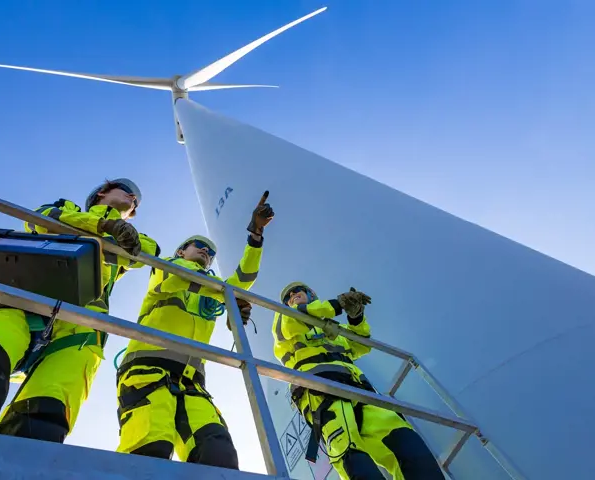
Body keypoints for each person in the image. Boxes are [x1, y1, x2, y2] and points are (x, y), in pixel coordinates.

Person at [0, 178, 159, 443]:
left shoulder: (135, 238)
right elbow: (41, 218)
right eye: (130, 192)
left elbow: (149, 252)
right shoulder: (67, 208)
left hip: (82, 323)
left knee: (52, 399)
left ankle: (20, 461)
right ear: (103, 192)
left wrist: (119, 230)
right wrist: (101, 225)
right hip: (24, 299)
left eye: (136, 203)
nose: (134, 200)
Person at [115, 191, 274, 469]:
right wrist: (228, 296)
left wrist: (256, 235)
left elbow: (243, 279)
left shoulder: (211, 294)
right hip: (147, 371)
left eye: (211, 253)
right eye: (199, 246)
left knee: (218, 454)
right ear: (180, 252)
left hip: (192, 382)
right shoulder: (164, 270)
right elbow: (184, 277)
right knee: (150, 450)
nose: (206, 252)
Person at [273, 283, 445, 480]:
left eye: (298, 290)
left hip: (362, 394)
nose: (293, 295)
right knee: (354, 460)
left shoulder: (332, 329)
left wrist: (355, 317)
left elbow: (360, 344)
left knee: (408, 444)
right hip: (322, 397)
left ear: (311, 295)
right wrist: (338, 304)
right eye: (288, 296)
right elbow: (295, 317)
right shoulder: (284, 319)